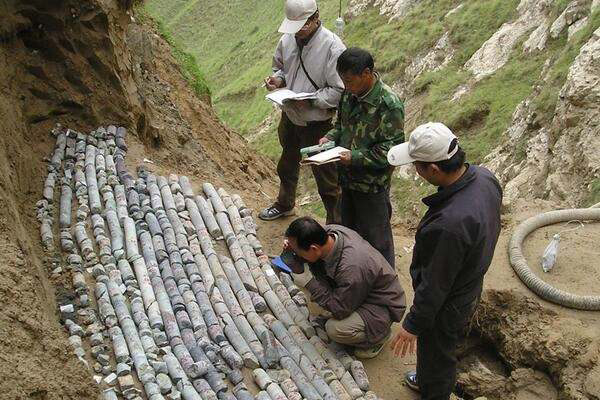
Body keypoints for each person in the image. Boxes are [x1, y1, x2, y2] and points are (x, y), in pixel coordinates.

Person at [386, 122, 502, 400]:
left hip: (449, 300)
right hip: (470, 278)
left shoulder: (450, 224)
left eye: (417, 165)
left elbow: (436, 284)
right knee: (440, 347)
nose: (416, 169)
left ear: (434, 170)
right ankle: (428, 377)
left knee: (438, 349)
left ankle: (434, 389)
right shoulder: (484, 177)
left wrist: (413, 324)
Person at [259, 0, 346, 224]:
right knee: (287, 164)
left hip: (318, 124)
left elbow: (339, 90)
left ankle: (336, 224)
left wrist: (312, 101)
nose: (297, 31)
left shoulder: (333, 47)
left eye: (301, 25)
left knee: (326, 176)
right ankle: (285, 204)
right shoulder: (287, 39)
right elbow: (281, 67)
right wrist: (278, 80)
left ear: (315, 18)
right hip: (290, 115)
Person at [319, 47, 404, 268]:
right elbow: (341, 126)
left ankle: (385, 283)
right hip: (347, 180)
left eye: (349, 80)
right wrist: (329, 138)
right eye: (342, 80)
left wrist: (354, 157)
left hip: (371, 186)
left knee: (378, 242)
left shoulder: (388, 104)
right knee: (348, 235)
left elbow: (391, 151)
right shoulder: (349, 94)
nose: (345, 85)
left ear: (366, 73)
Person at [284, 216, 406, 358]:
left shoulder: (351, 268)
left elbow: (340, 309)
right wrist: (291, 246)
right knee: (315, 282)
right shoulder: (329, 233)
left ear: (314, 249)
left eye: (298, 251)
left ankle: (379, 337)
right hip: (359, 290)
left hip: (381, 304)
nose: (296, 254)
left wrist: (309, 283)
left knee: (335, 329)